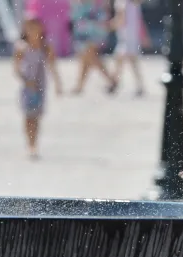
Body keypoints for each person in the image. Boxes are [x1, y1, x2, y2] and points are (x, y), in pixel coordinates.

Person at [13, 17, 62, 160]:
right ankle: (30, 144)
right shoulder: (21, 47)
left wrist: (58, 84)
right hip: (28, 86)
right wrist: (25, 80)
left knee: (37, 116)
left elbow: (53, 66)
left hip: (41, 86)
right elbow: (15, 69)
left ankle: (35, 144)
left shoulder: (45, 47)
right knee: (28, 116)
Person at [70, 0, 116, 95]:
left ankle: (111, 80)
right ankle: (80, 86)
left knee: (92, 58)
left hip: (93, 35)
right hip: (83, 36)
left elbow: (101, 19)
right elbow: (75, 19)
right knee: (86, 60)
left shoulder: (95, 5)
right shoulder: (79, 5)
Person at [110, 0, 149, 97]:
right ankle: (116, 83)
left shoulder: (121, 2)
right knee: (128, 61)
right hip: (132, 36)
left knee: (122, 60)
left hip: (125, 35)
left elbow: (121, 19)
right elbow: (139, 20)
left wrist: (108, 26)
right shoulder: (134, 3)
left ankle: (114, 83)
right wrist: (143, 36)